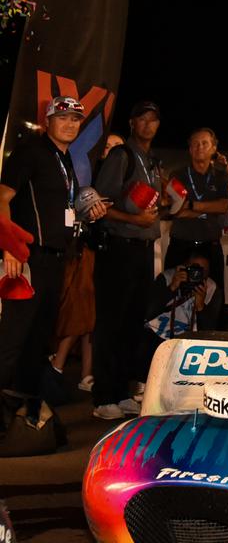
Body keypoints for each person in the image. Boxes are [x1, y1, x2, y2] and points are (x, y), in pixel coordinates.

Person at [0, 97, 107, 430]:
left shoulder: (66, 160)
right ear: (47, 121)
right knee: (13, 339)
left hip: (57, 260)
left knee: (39, 338)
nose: (70, 124)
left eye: (76, 119)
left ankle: (24, 406)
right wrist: (11, 248)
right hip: (27, 259)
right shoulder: (30, 152)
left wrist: (88, 213)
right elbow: (2, 198)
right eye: (63, 118)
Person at [92, 101, 164, 420]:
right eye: (142, 120)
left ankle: (122, 392)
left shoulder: (152, 160)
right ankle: (103, 396)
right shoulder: (122, 156)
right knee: (111, 323)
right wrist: (135, 221)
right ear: (133, 123)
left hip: (142, 251)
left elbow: (156, 206)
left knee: (133, 324)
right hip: (118, 248)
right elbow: (101, 205)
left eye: (154, 120)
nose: (148, 125)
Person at [165, 128, 228, 328]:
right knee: (173, 291)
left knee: (214, 297)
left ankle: (213, 339)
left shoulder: (221, 176)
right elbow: (175, 211)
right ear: (189, 149)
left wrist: (192, 206)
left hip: (210, 246)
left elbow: (225, 206)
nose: (199, 147)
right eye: (195, 144)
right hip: (181, 245)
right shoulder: (178, 174)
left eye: (204, 143)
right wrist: (209, 209)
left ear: (214, 148)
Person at [134, 250, 221, 390]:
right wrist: (172, 288)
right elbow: (147, 312)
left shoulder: (211, 288)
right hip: (158, 335)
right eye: (194, 268)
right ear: (183, 267)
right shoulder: (167, 277)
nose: (197, 274)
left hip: (189, 340)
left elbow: (211, 330)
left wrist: (200, 306)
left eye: (202, 271)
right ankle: (143, 384)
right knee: (142, 338)